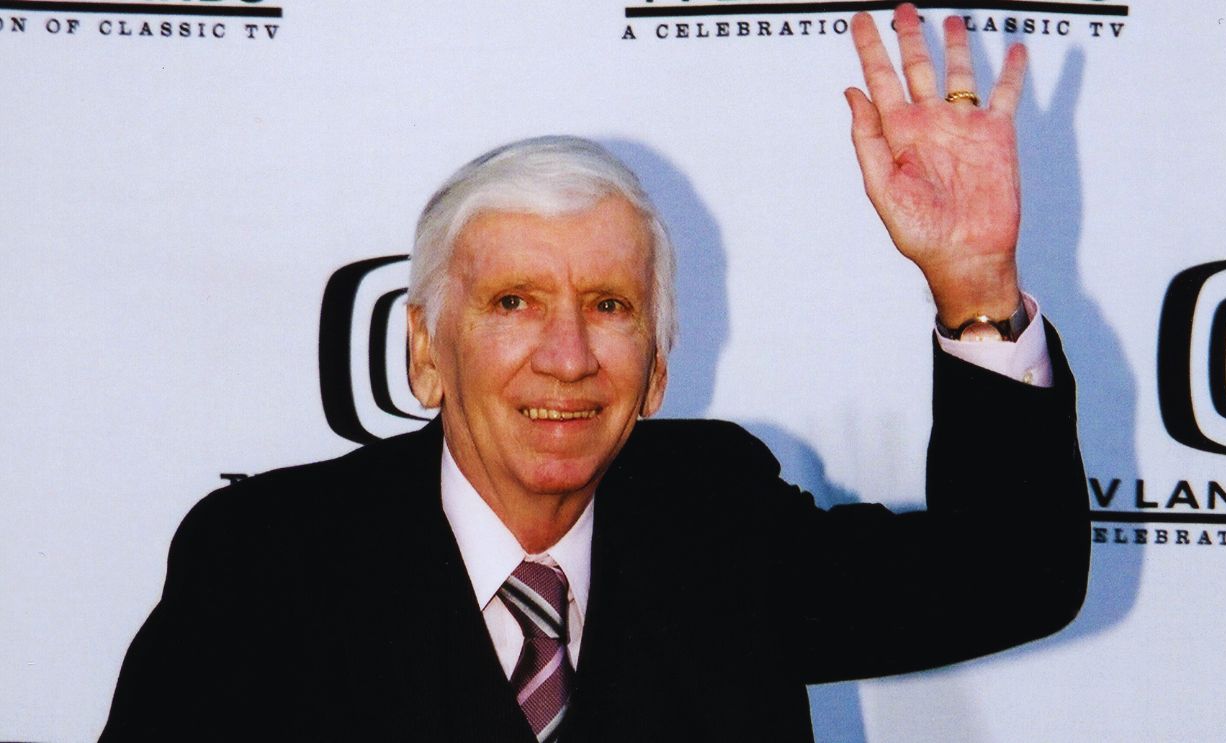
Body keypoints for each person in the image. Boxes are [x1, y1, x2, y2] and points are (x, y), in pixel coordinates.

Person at [100, 5, 1089, 742]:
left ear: (656, 370)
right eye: (512, 302)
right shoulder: (263, 565)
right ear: (422, 353)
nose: (566, 355)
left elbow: (1008, 576)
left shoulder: (719, 521)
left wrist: (973, 282)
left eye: (608, 307)